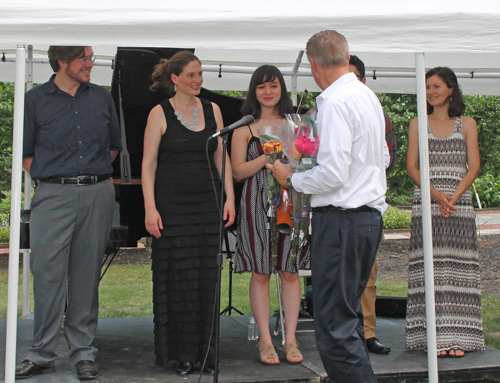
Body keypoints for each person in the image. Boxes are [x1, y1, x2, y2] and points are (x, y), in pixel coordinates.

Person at [268, 30, 389, 383]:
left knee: (334, 328)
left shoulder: (334, 103)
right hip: (366, 217)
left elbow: (334, 174)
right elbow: (380, 157)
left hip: (342, 220)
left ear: (313, 64)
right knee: (345, 322)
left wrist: (291, 178)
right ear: (345, 57)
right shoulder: (367, 96)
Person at [16, 46, 121, 380]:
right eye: (83, 58)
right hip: (52, 194)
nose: (91, 63)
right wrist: (55, 180)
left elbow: (114, 146)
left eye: (90, 57)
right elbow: (25, 151)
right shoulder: (34, 100)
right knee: (47, 274)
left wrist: (87, 179)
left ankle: (83, 353)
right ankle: (41, 353)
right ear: (62, 62)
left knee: (86, 275)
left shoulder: (102, 97)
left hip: (96, 192)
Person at [141, 51, 235, 376]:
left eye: (200, 74)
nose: (198, 80)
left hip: (206, 206)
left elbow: (221, 155)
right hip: (172, 208)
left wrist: (230, 197)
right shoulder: (159, 113)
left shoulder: (214, 110)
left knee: (206, 279)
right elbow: (148, 164)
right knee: (180, 281)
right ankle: (181, 355)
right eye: (191, 75)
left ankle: (205, 355)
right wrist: (150, 207)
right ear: (175, 79)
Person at [231, 65, 310, 366]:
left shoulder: (298, 124)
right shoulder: (243, 128)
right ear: (254, 91)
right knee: (262, 271)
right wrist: (268, 157)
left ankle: (290, 338)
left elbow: (311, 164)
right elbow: (238, 171)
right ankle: (265, 341)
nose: (268, 92)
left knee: (290, 271)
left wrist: (292, 162)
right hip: (255, 203)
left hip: (292, 201)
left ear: (281, 90)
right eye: (262, 87)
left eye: (273, 86)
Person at [405, 66, 484, 358]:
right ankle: (432, 337)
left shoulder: (469, 123)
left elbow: (473, 167)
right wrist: (435, 195)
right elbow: (411, 167)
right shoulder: (417, 123)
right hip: (426, 202)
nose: (431, 92)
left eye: (436, 86)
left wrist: (453, 197)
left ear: (451, 89)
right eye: (427, 87)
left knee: (457, 271)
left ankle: (459, 337)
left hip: (458, 205)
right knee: (430, 269)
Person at [349, 54, 396, 355]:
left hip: (365, 208)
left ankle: (366, 333)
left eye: (353, 78)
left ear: (364, 81)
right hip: (327, 209)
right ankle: (339, 332)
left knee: (367, 276)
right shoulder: (322, 110)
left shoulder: (380, 115)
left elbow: (386, 162)